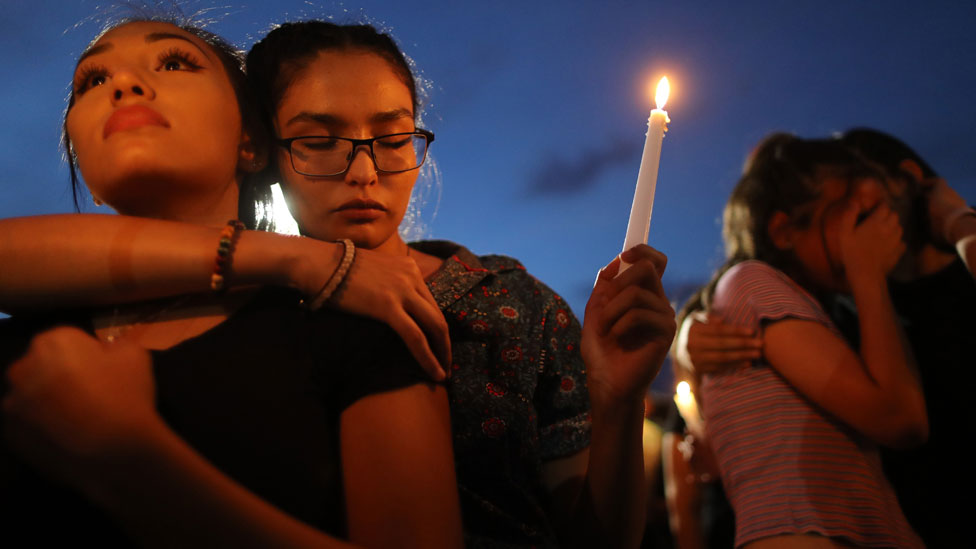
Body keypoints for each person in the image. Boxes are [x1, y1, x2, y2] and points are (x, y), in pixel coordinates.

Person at [1, 17, 677, 548]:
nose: (363, 172)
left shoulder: (507, 305)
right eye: (320, 140)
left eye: (392, 137)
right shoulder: (278, 305)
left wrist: (616, 400)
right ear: (264, 150)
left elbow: (597, 537)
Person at [0, 17, 462, 548]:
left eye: (175, 62)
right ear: (83, 164)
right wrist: (295, 258)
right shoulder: (21, 348)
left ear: (252, 143)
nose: (124, 85)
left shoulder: (356, 323)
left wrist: (134, 466)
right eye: (92, 81)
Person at [678, 128, 976, 547]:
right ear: (783, 229)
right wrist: (686, 338)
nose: (876, 228)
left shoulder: (835, 302)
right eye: (855, 213)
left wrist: (960, 224)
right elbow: (901, 418)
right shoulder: (793, 292)